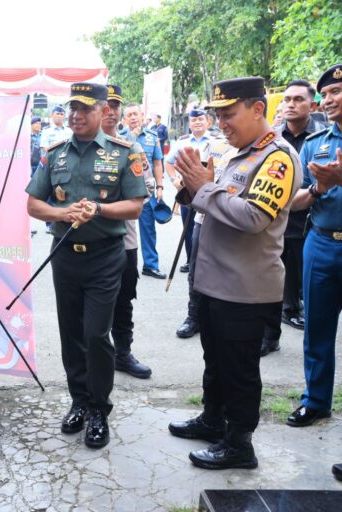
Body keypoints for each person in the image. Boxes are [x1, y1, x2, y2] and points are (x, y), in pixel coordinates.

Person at [168, 77, 301, 470]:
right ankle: (213, 421)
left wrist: (205, 189)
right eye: (218, 115)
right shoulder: (237, 154)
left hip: (245, 289)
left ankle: (239, 444)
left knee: (239, 370)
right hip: (214, 283)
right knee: (215, 360)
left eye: (229, 114)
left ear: (257, 109)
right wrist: (192, 188)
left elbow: (255, 217)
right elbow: (214, 201)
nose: (221, 122)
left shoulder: (277, 158)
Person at [25, 82, 147, 448]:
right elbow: (33, 204)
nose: (76, 115)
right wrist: (62, 212)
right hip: (64, 254)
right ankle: (78, 401)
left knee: (96, 334)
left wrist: (98, 209)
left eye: (84, 108)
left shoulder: (126, 152)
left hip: (105, 256)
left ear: (102, 110)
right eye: (71, 109)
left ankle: (98, 408)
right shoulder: (54, 152)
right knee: (71, 335)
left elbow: (135, 205)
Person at [284, 65, 342, 455]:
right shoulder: (316, 142)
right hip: (321, 244)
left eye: (338, 91)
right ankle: (316, 400)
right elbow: (294, 201)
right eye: (327, 93)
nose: (331, 99)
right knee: (316, 329)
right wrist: (321, 186)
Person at [269, 80, 328, 339]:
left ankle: (302, 314)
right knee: (274, 283)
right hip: (279, 219)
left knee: (308, 281)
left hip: (312, 221)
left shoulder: (324, 136)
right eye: (287, 99)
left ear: (313, 104)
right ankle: (270, 336)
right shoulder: (273, 137)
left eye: (298, 100)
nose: (290, 105)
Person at [101, 84, 152, 379]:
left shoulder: (132, 149)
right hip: (89, 241)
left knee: (123, 298)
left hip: (124, 238)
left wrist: (104, 203)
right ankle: (97, 354)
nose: (110, 112)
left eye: (115, 106)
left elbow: (144, 188)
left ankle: (123, 352)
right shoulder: (77, 148)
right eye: (104, 106)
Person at [165, 109, 220, 339]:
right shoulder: (182, 142)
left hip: (221, 210)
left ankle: (214, 317)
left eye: (201, 119)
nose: (197, 122)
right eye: (193, 119)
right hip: (198, 211)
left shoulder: (220, 143)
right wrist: (176, 181)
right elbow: (170, 164)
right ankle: (194, 316)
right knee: (195, 266)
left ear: (208, 122)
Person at [123, 103, 166, 279]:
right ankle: (124, 265)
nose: (133, 118)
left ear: (142, 116)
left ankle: (150, 265)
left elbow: (157, 163)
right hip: (126, 192)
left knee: (148, 228)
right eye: (129, 115)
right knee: (125, 230)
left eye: (136, 114)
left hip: (146, 191)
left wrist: (160, 186)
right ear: (124, 119)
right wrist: (131, 139)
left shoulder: (152, 136)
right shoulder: (119, 137)